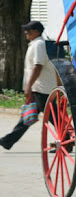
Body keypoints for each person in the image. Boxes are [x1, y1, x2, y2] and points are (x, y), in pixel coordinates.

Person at [0, 21, 58, 150]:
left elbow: (38, 66)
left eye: (29, 30)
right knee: (29, 116)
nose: (26, 32)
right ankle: (8, 140)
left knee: (52, 117)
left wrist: (28, 86)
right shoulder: (35, 44)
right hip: (39, 87)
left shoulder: (39, 45)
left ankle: (68, 139)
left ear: (37, 32)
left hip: (42, 87)